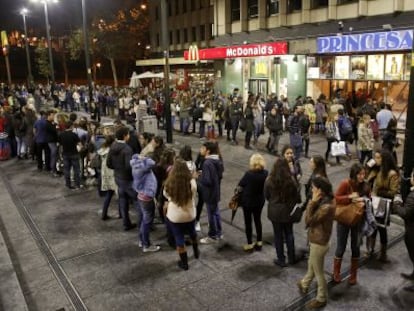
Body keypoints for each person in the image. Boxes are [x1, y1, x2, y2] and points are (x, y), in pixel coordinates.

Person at [297, 176, 336, 309]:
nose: (312, 190)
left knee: (318, 272)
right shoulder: (326, 200)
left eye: (313, 188)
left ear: (320, 190)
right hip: (319, 240)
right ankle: (304, 283)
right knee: (311, 265)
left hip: (319, 243)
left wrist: (311, 202)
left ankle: (321, 298)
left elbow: (308, 221)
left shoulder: (326, 206)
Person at [333, 163, 370, 285]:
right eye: (359, 174)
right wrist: (350, 197)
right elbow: (336, 198)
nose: (362, 176)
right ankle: (336, 272)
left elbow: (369, 199)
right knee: (340, 246)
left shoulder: (365, 186)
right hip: (344, 219)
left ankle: (353, 275)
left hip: (357, 220)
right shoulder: (346, 183)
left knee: (356, 247)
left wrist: (364, 201)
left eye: (363, 174)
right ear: (354, 174)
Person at [265, 157, 301, 267]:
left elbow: (266, 196)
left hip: (274, 212)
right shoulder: (291, 181)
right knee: (289, 233)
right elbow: (297, 198)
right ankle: (292, 258)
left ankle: (281, 259)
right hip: (287, 211)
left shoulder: (269, 180)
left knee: (278, 235)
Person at [164, 158, 199, 270]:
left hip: (175, 216)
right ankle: (196, 251)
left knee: (179, 238)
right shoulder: (192, 182)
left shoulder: (169, 183)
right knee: (192, 233)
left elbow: (166, 196)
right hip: (190, 214)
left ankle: (184, 263)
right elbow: (193, 195)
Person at [369, 149, 400, 262]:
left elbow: (393, 191)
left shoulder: (392, 174)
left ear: (384, 159)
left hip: (382, 203)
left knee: (381, 229)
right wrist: (369, 167)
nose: (376, 159)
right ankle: (370, 249)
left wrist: (381, 192)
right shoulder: (377, 169)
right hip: (374, 200)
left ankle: (383, 254)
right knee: (373, 226)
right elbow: (367, 179)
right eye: (375, 157)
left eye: (378, 158)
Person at [107, 126, 138, 231]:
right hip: (127, 179)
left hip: (118, 177)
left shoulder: (113, 146)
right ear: (125, 136)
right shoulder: (127, 149)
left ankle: (126, 223)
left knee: (123, 200)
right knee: (137, 200)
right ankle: (143, 222)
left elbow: (108, 163)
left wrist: (117, 169)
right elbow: (129, 166)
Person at [237, 153, 268, 252]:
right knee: (258, 221)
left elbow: (240, 185)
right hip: (259, 201)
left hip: (248, 202)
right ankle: (259, 242)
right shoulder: (265, 173)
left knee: (248, 222)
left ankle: (250, 243)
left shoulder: (249, 174)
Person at [130, 154, 160, 252]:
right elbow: (152, 163)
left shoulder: (135, 165)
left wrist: (140, 158)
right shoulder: (142, 168)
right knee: (147, 222)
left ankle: (142, 240)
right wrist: (145, 158)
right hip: (146, 196)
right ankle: (146, 245)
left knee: (143, 220)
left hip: (141, 195)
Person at [199, 141, 224, 244]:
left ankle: (212, 235)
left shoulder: (207, 163)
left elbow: (207, 181)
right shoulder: (218, 160)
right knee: (216, 213)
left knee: (211, 215)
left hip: (209, 193)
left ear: (208, 151)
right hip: (216, 191)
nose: (201, 150)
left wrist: (199, 177)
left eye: (203, 148)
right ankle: (219, 233)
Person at [393, 171, 414, 291]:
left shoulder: (413, 196)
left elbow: (406, 213)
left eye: (412, 176)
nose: (410, 178)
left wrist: (396, 205)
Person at [97, 135, 120, 220]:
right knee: (119, 194)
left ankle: (104, 213)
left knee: (109, 194)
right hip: (113, 172)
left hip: (105, 173)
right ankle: (121, 213)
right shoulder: (113, 151)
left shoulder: (102, 150)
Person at [58, 121, 82, 190]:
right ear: (71, 126)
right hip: (74, 154)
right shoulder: (74, 135)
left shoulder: (61, 134)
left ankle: (68, 184)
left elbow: (60, 145)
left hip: (65, 154)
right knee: (76, 170)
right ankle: (77, 185)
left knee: (66, 170)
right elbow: (80, 144)